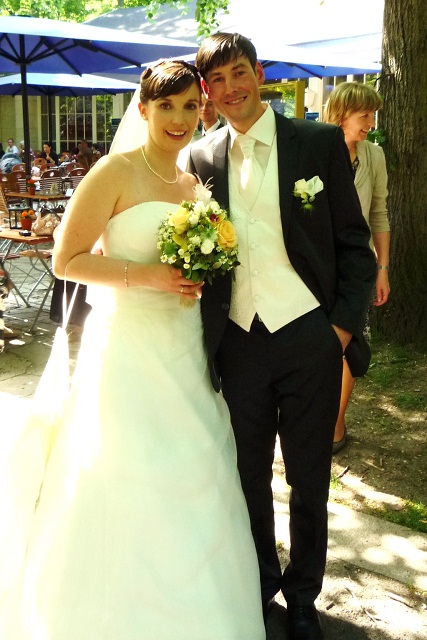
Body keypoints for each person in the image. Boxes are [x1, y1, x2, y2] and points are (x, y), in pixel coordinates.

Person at [0, 60, 265, 640]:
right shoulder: (113, 172)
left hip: (184, 349)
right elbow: (66, 261)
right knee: (122, 470)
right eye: (166, 106)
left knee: (193, 471)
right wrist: (150, 277)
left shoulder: (193, 185)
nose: (179, 118)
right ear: (142, 109)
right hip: (126, 349)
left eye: (190, 106)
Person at [188, 33, 377, 640]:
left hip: (309, 337)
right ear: (207, 91)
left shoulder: (317, 143)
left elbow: (354, 245)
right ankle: (261, 585)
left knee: (307, 477)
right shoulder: (201, 157)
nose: (230, 88)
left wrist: (339, 330)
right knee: (248, 474)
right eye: (217, 80)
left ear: (259, 74)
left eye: (239, 73)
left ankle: (302, 597)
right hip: (238, 341)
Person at [324, 82, 391, 453]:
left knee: (349, 344)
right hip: (317, 268)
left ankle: (335, 423)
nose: (371, 122)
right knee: (319, 344)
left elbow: (379, 213)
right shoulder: (314, 149)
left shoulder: (374, 156)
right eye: (364, 114)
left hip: (358, 270)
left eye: (372, 114)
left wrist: (383, 268)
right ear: (341, 114)